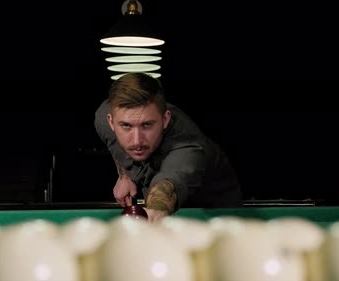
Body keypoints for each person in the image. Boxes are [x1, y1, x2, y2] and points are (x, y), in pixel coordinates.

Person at [94, 72, 242, 222]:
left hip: (214, 213)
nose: (137, 140)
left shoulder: (187, 147)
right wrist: (124, 174)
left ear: (165, 119)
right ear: (111, 122)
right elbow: (114, 142)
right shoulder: (103, 119)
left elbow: (168, 185)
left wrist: (154, 212)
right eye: (126, 126)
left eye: (147, 125)